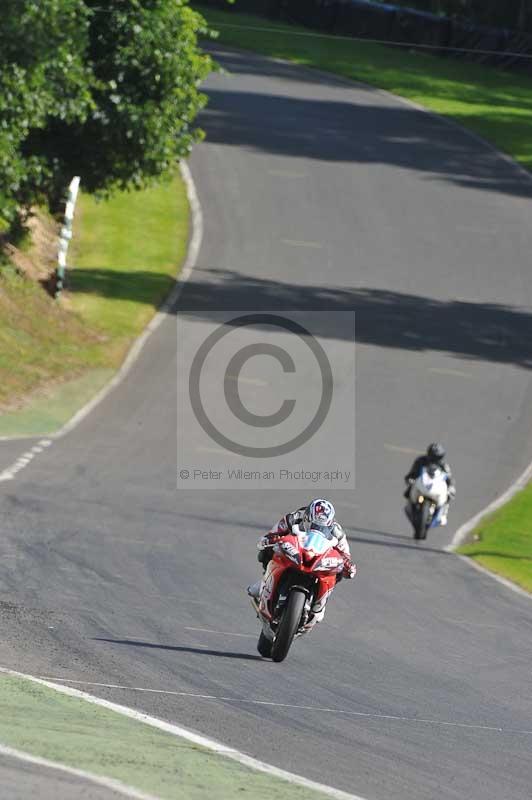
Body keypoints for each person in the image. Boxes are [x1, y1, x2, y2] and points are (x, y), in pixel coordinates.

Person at [247, 499, 356, 630]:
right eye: (314, 523)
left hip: (316, 558)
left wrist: (347, 564)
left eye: (323, 525)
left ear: (330, 522)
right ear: (307, 517)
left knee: (338, 571)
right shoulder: (293, 517)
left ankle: (319, 604)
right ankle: (265, 581)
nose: (317, 527)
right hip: (292, 552)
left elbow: (345, 554)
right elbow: (272, 534)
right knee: (265, 552)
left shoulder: (337, 531)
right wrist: (271, 540)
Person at [404, 442, 456, 524]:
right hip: (421, 484)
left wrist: (451, 486)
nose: (434, 460)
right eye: (432, 457)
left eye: (437, 457)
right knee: (408, 490)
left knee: (449, 494)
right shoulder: (420, 461)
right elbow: (412, 472)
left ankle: (443, 514)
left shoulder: (444, 465)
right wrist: (409, 478)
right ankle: (410, 506)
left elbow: (449, 477)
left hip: (435, 487)